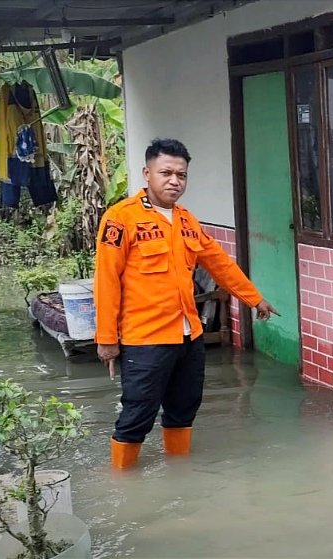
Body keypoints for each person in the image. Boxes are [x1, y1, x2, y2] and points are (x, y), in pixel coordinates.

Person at [94, 138, 278, 469]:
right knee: (137, 413)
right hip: (145, 339)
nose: (174, 181)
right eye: (166, 173)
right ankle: (122, 485)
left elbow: (220, 263)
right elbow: (106, 281)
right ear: (146, 173)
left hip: (188, 336)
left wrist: (254, 298)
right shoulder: (121, 218)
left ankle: (179, 472)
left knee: (184, 408)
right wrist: (106, 340)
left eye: (181, 175)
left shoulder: (186, 220)